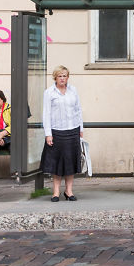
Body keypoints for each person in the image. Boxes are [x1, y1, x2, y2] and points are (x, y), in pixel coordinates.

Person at [41, 65, 84, 202]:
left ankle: (69, 191)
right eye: (60, 76)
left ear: (68, 77)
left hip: (72, 130)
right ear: (55, 77)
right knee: (56, 163)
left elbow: (78, 110)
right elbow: (46, 114)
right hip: (56, 131)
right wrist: (48, 134)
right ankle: (55, 192)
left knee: (70, 162)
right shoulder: (49, 92)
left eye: (65, 76)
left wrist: (80, 129)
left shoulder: (73, 90)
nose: (62, 78)